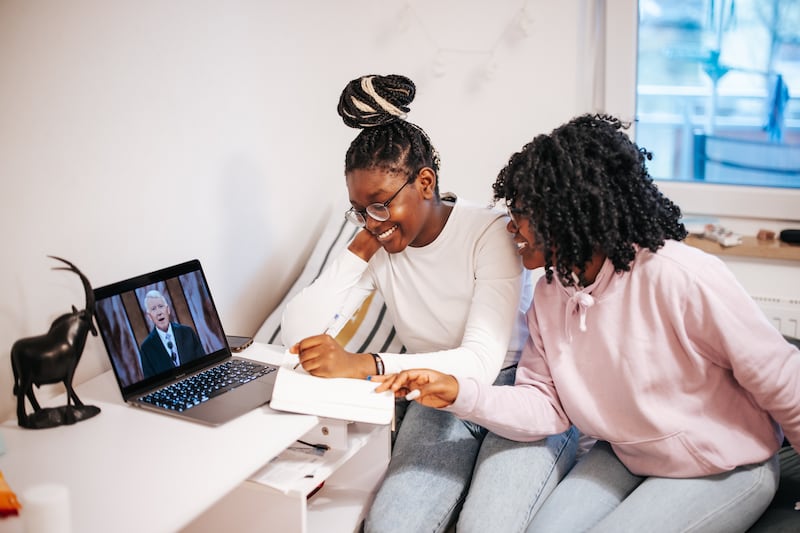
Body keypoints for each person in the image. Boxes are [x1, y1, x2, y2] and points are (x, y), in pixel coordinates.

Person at [376, 113, 800, 532]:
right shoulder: (550, 294)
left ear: (567, 212)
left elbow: (784, 379)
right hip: (625, 454)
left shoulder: (676, 274)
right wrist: (458, 393)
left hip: (723, 463)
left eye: (521, 211)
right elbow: (547, 406)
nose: (511, 225)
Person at [281, 74, 578, 532]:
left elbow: (480, 363)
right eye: (358, 210)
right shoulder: (381, 245)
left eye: (379, 205)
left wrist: (363, 365)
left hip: (520, 392)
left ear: (425, 182)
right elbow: (297, 330)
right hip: (434, 395)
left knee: (487, 526)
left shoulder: (489, 232)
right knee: (391, 524)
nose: (371, 221)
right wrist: (360, 247)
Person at [139, 289, 205, 378]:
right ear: (149, 317)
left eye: (161, 306)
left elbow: (204, 365)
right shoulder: (146, 348)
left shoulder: (187, 332)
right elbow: (151, 383)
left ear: (168, 310)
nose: (159, 312)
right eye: (153, 309)